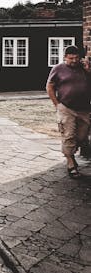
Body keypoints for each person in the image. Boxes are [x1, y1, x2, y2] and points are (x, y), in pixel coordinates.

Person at [46, 45, 91, 179]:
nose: (74, 60)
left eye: (77, 58)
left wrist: (89, 71)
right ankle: (71, 163)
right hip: (66, 108)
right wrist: (57, 105)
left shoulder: (85, 68)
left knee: (82, 137)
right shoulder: (58, 69)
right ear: (65, 57)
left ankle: (70, 153)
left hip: (84, 109)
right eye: (71, 58)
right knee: (68, 135)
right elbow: (50, 86)